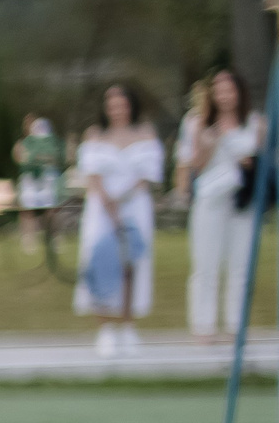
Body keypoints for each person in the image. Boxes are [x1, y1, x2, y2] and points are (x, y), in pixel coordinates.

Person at [74, 83, 164, 357]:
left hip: (134, 206)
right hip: (101, 210)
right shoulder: (96, 135)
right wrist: (108, 202)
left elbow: (147, 176)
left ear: (131, 105)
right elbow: (91, 175)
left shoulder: (145, 133)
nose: (116, 109)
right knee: (100, 262)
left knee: (130, 265)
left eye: (121, 104)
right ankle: (105, 329)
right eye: (111, 104)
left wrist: (122, 200)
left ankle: (128, 326)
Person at [175, 67, 264, 342]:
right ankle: (204, 325)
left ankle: (236, 325)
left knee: (240, 266)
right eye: (219, 91)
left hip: (241, 201)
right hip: (210, 199)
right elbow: (194, 165)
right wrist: (209, 143)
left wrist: (250, 162)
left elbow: (262, 163)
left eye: (230, 90)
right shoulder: (196, 122)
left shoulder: (255, 122)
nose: (225, 96)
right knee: (206, 264)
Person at [14, 115, 64, 259]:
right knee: (27, 209)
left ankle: (53, 237)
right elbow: (21, 159)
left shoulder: (50, 141)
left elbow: (54, 157)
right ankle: (29, 239)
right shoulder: (23, 143)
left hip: (47, 179)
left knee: (51, 208)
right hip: (31, 180)